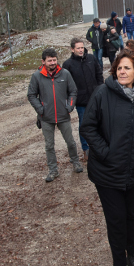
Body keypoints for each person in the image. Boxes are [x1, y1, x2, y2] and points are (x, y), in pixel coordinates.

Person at [80, 49, 134, 266]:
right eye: (119, 68)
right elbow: (88, 127)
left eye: (128, 68)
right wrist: (106, 152)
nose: (122, 72)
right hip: (107, 172)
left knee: (129, 215)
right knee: (116, 220)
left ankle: (132, 257)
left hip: (133, 170)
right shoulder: (102, 94)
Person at [27, 48, 83, 182]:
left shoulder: (65, 74)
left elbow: (73, 91)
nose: (52, 63)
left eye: (54, 60)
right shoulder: (37, 76)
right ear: (43, 61)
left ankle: (75, 162)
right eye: (49, 60)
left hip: (63, 115)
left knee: (70, 141)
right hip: (46, 117)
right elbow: (31, 95)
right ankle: (53, 170)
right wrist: (40, 109)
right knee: (49, 145)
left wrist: (69, 106)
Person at [62, 38, 104, 161]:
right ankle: (86, 149)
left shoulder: (91, 58)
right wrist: (69, 100)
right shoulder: (68, 64)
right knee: (84, 125)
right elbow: (66, 85)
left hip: (95, 98)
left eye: (82, 47)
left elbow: (99, 74)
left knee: (100, 123)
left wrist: (101, 89)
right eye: (78, 48)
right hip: (81, 102)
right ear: (72, 49)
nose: (81, 50)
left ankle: (98, 147)